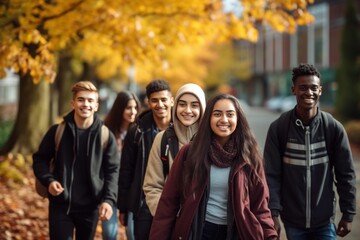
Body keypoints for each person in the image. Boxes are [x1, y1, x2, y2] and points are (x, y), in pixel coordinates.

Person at [150, 94, 278, 240]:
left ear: (238, 119)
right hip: (199, 231)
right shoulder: (189, 153)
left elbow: (260, 207)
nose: (224, 120)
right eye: (217, 114)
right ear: (208, 118)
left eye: (230, 114)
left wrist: (270, 236)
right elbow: (168, 203)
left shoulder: (250, 156)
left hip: (237, 232)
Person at [264, 63, 357, 240]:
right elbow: (271, 175)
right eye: (303, 88)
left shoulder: (333, 128)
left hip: (325, 221)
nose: (309, 92)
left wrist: (348, 213)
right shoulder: (279, 128)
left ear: (320, 90)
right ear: (293, 90)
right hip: (292, 221)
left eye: (314, 88)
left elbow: (346, 175)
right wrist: (273, 213)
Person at [33, 81, 120, 240]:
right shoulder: (57, 131)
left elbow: (113, 171)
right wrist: (49, 181)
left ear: (96, 106)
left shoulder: (105, 136)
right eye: (81, 99)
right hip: (60, 206)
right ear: (73, 103)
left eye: (90, 100)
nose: (85, 104)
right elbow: (40, 159)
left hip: (90, 208)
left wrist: (108, 200)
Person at [118, 79, 174, 239]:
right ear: (148, 103)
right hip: (143, 202)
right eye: (154, 100)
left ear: (171, 100)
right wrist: (123, 207)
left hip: (174, 201)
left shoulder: (181, 129)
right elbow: (126, 170)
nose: (160, 104)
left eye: (164, 99)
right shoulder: (137, 131)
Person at [143, 83, 206, 216]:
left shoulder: (211, 141)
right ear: (175, 106)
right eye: (182, 104)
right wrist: (166, 214)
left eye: (194, 105)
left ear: (203, 109)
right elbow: (152, 186)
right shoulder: (162, 139)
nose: (187, 110)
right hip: (172, 222)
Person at [102, 91, 140, 240]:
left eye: (135, 107)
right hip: (110, 190)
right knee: (109, 234)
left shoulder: (139, 133)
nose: (133, 112)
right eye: (128, 108)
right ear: (119, 109)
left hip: (131, 191)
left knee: (132, 234)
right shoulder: (106, 132)